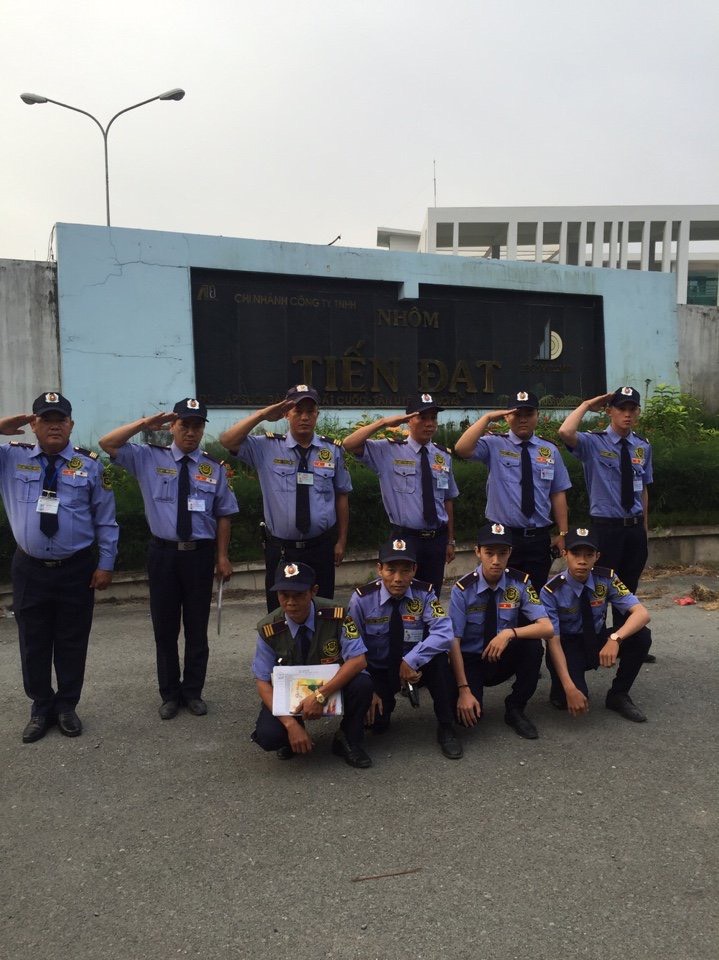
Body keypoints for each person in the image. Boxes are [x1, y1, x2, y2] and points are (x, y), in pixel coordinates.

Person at [99, 398, 237, 719]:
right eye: (184, 425)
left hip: (199, 556)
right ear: (172, 427)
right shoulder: (148, 457)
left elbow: (224, 514)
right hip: (163, 555)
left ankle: (193, 692)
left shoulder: (213, 467)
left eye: (197, 426)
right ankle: (170, 694)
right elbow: (108, 443)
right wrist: (143, 424)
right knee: (165, 628)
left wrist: (222, 556)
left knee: (196, 629)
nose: (190, 432)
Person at [0, 392, 118, 742]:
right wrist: (4, 426)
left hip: (75, 568)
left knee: (72, 640)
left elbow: (106, 520)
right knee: (32, 641)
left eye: (60, 420)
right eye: (46, 419)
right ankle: (40, 707)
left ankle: (66, 706)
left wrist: (106, 563)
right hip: (30, 568)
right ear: (33, 425)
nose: (54, 426)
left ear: (71, 424)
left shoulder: (91, 465)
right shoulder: (10, 457)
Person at [219, 385, 351, 611]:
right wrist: (262, 415)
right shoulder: (266, 447)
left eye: (310, 411)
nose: (304, 417)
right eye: (298, 411)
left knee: (322, 611)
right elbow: (227, 440)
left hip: (320, 547)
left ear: (317, 414)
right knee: (280, 614)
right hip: (282, 550)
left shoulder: (332, 450)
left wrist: (341, 540)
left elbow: (342, 496)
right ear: (286, 414)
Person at [558, 386, 656, 662]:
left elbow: (643, 490)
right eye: (621, 408)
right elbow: (565, 432)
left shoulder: (642, 446)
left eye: (632, 409)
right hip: (606, 528)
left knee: (628, 588)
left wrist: (644, 529)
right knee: (599, 588)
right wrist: (587, 404)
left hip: (633, 528)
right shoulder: (593, 443)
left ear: (637, 412)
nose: (627, 414)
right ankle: (593, 644)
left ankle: (627, 642)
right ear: (609, 411)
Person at [346, 538, 462, 759]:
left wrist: (411, 660)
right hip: (379, 670)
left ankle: (447, 727)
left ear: (414, 570)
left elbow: (444, 632)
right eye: (391, 570)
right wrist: (369, 689)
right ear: (379, 569)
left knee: (439, 661)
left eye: (405, 570)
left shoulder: (425, 593)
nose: (398, 578)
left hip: (414, 665)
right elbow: (352, 648)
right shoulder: (361, 600)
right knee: (377, 724)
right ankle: (382, 703)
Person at [250, 561, 373, 768]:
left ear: (313, 591)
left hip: (331, 686)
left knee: (362, 684)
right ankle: (292, 736)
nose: (291, 602)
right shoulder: (269, 628)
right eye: (284, 595)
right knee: (268, 736)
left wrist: (319, 696)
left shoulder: (338, 614)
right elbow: (262, 682)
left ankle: (348, 738)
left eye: (298, 595)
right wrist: (290, 725)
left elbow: (358, 660)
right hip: (291, 693)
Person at [342, 393, 458, 597]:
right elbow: (348, 445)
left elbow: (447, 499)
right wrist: (383, 422)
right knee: (400, 596)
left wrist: (450, 540)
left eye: (433, 418)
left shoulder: (443, 455)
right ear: (409, 420)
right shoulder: (389, 450)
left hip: (436, 540)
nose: (429, 423)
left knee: (431, 596)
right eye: (422, 417)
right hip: (405, 539)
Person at [454, 390, 571, 593]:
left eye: (529, 414)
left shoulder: (549, 450)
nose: (523, 419)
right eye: (517, 414)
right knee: (501, 595)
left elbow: (558, 492)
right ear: (507, 417)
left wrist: (563, 533)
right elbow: (461, 449)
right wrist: (487, 418)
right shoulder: (494, 444)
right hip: (503, 537)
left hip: (538, 538)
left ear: (537, 415)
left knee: (535, 595)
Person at [449, 523, 553, 741]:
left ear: (510, 553)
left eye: (502, 553)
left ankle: (515, 708)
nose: (496, 560)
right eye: (489, 553)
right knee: (467, 720)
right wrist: (463, 689)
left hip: (503, 654)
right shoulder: (462, 590)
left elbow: (547, 627)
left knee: (533, 647)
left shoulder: (520, 583)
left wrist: (508, 634)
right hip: (473, 660)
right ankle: (469, 694)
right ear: (478, 552)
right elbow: (453, 642)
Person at [541, 527, 652, 722]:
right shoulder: (551, 591)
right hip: (568, 646)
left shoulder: (606, 579)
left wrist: (615, 639)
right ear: (565, 554)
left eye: (589, 555)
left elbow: (642, 614)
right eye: (576, 554)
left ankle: (618, 694)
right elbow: (553, 641)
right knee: (571, 698)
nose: (582, 561)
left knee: (641, 636)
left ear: (597, 556)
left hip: (597, 638)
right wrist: (569, 687)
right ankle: (560, 687)